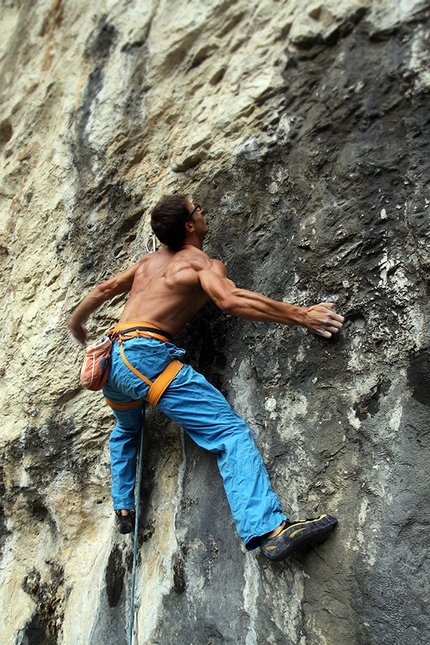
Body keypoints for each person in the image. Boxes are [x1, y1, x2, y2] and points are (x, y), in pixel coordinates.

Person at [68, 195, 344, 561]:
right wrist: (302, 315)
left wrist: (77, 323)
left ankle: (123, 505)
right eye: (198, 209)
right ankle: (270, 529)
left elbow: (105, 289)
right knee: (228, 433)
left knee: (126, 429)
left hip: (112, 364)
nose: (204, 211)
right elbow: (230, 300)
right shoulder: (200, 263)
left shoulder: (148, 262)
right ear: (189, 226)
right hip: (146, 359)